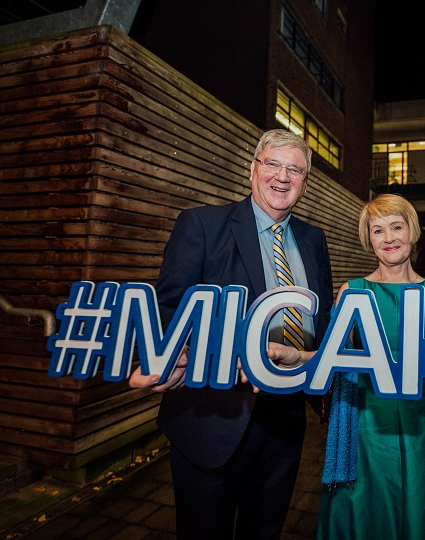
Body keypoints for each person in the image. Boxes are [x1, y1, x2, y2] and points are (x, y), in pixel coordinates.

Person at [129, 129, 333, 540]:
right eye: (273, 164)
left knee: (265, 530)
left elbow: (321, 321)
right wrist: (175, 357)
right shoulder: (202, 225)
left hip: (286, 421)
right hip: (213, 418)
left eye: (295, 169)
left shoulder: (314, 240)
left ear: (305, 183)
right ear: (252, 169)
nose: (282, 176)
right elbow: (168, 311)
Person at [265, 194, 425, 540]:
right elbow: (331, 356)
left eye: (396, 226)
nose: (389, 238)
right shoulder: (352, 291)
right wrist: (298, 357)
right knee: (365, 514)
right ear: (368, 239)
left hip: (423, 427)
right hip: (365, 429)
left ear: (412, 231)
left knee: (417, 510)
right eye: (378, 230)